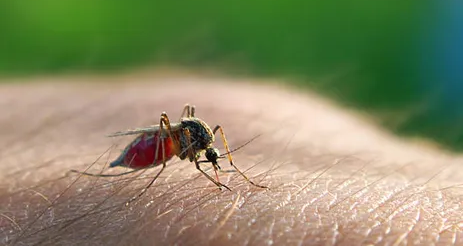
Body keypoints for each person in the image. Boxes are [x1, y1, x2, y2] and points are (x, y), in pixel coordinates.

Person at [2, 76, 463, 245]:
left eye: (214, 158)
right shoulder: (191, 140)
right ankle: (139, 167)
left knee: (195, 126)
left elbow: (207, 148)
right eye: (213, 158)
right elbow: (196, 146)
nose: (211, 160)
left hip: (173, 138)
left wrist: (226, 169)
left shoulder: (206, 139)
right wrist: (181, 152)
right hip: (155, 146)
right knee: (174, 134)